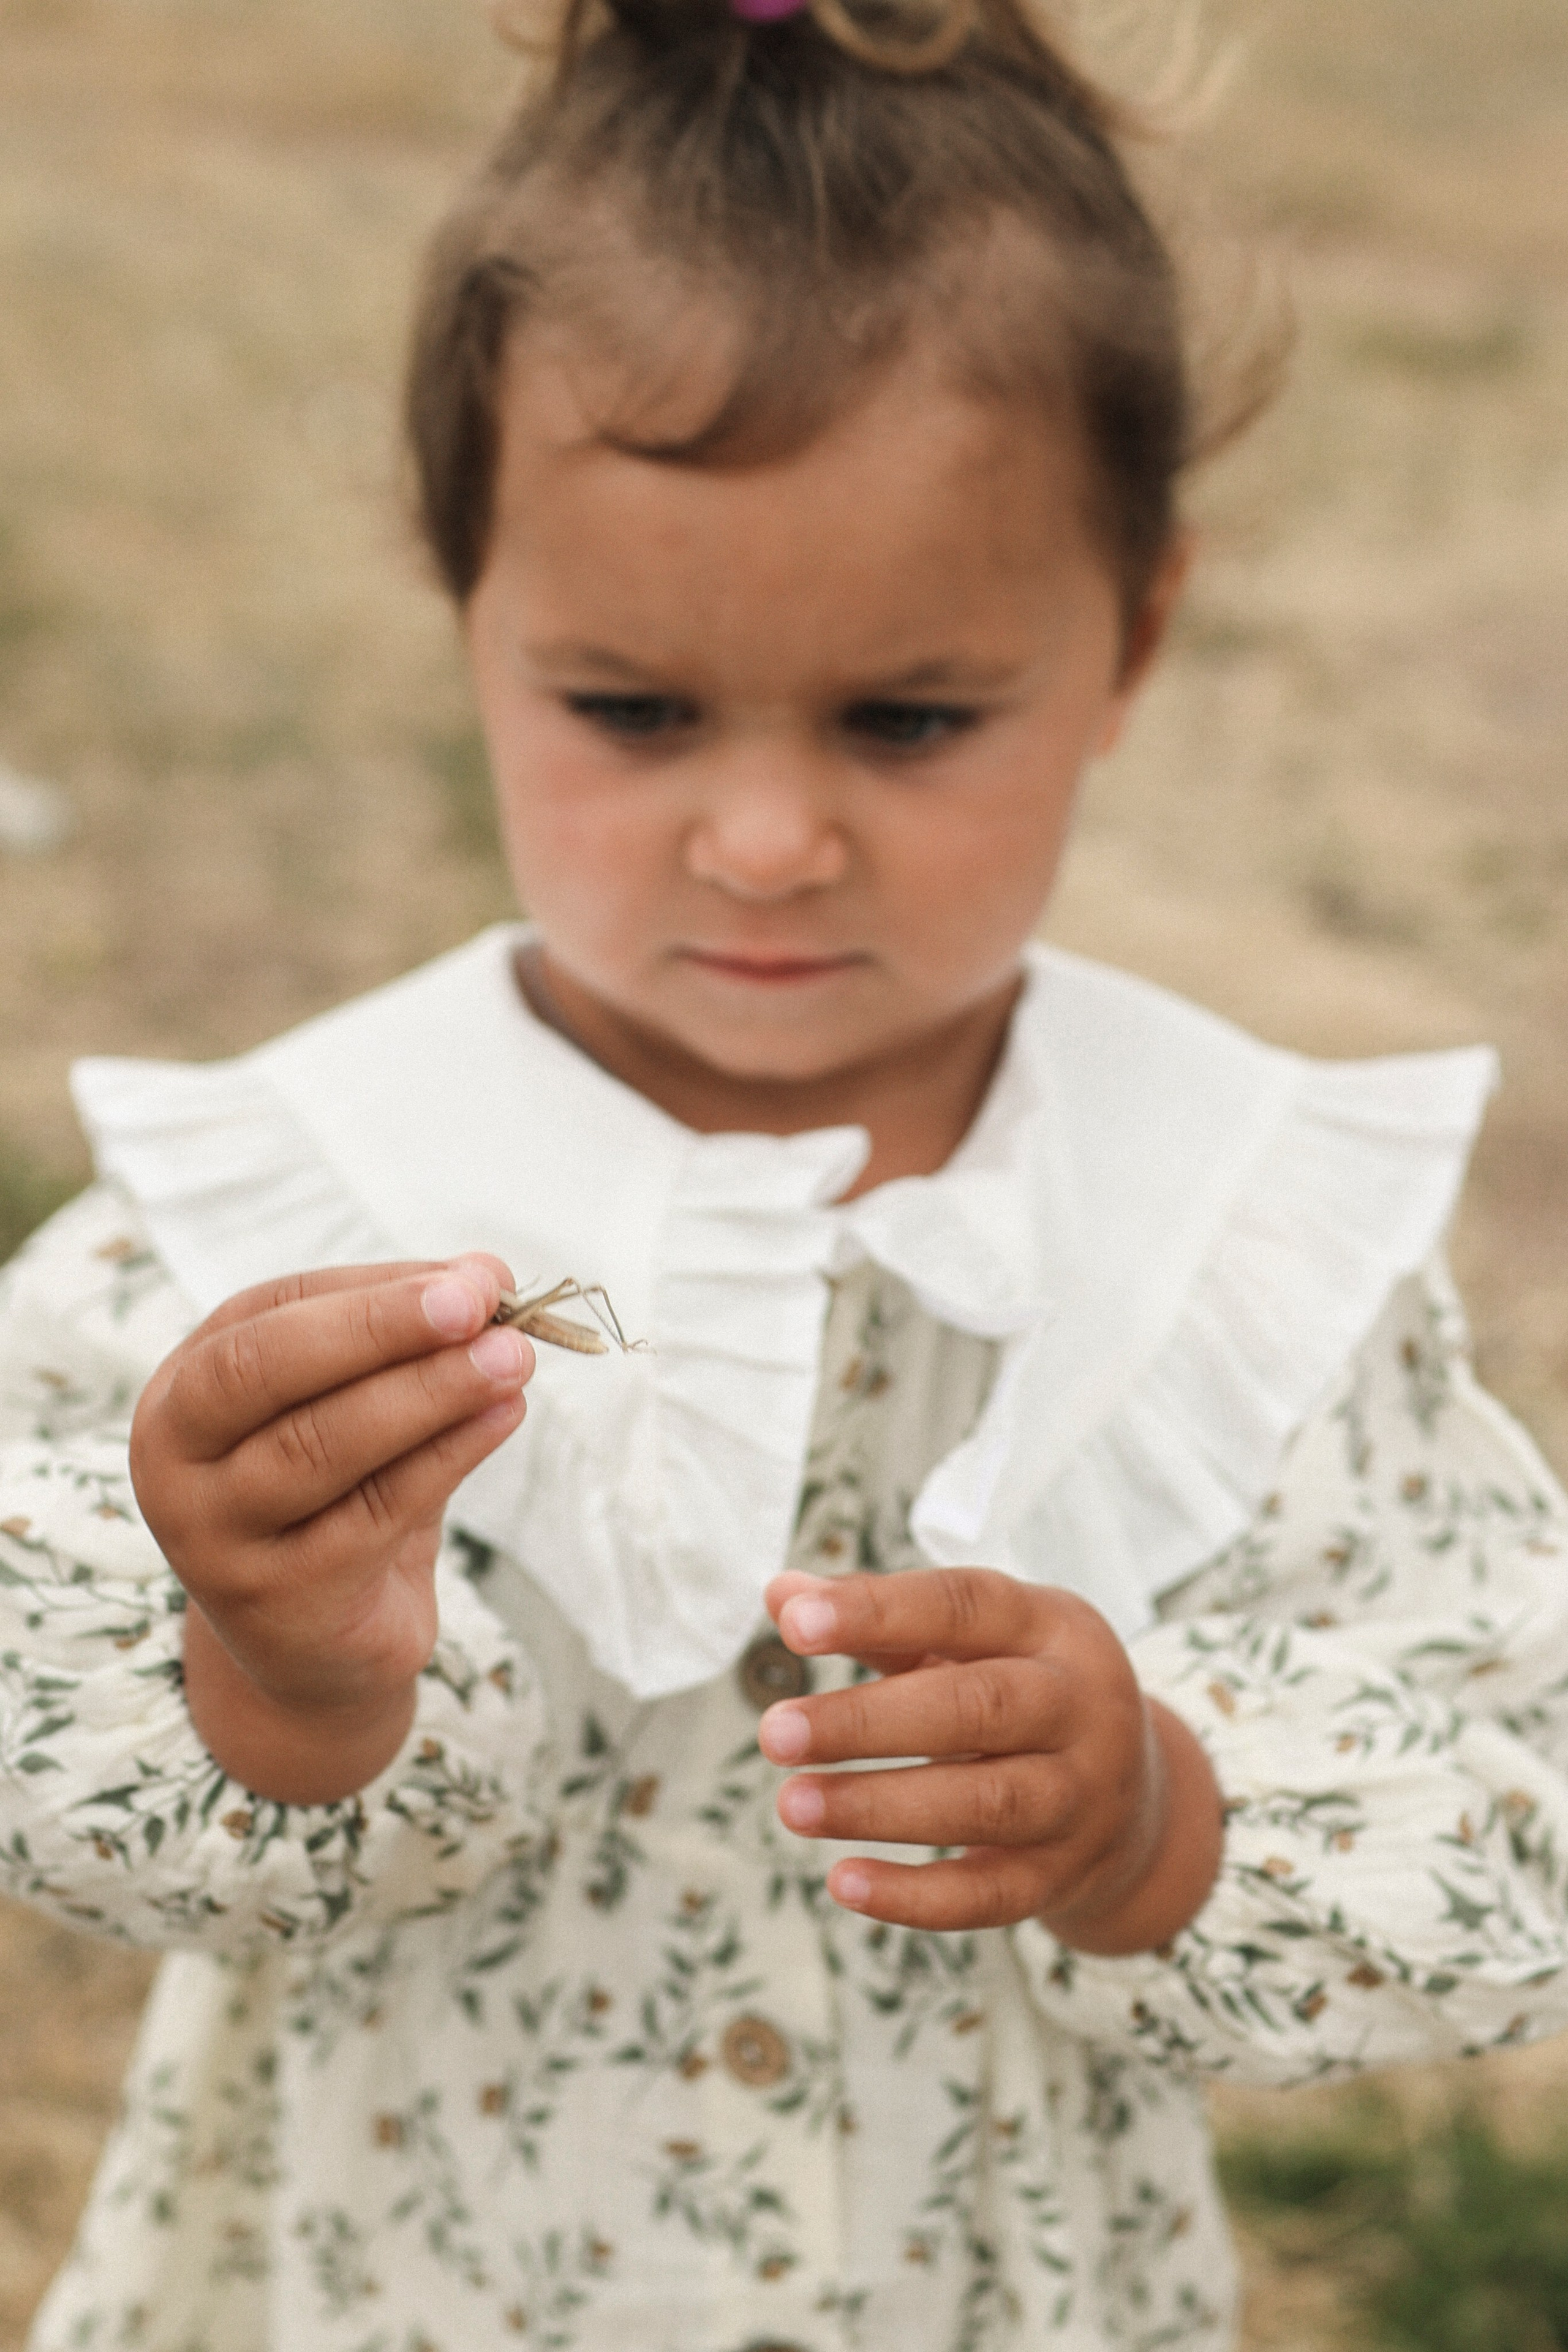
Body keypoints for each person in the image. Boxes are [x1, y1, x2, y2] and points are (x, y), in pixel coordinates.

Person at [4, 0, 1567, 2343]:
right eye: (631, 710)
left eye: (909, 718)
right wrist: (282, 1666)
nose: (763, 840)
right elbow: (69, 1763)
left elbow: (1499, 1792)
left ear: (1130, 633)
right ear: (470, 611)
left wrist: (1151, 1817)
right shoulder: (298, 1214)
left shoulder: (1224, 1233)